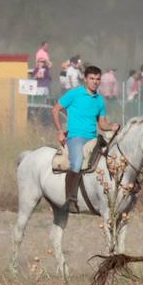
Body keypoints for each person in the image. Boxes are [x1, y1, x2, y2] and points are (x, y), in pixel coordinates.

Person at [54, 65, 119, 201]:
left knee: (110, 159)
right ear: (85, 79)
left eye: (97, 79)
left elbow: (102, 123)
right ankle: (69, 198)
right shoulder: (74, 94)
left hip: (93, 138)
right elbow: (55, 109)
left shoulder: (100, 100)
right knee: (77, 163)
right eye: (92, 78)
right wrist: (60, 131)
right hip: (76, 137)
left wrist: (111, 126)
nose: (95, 81)